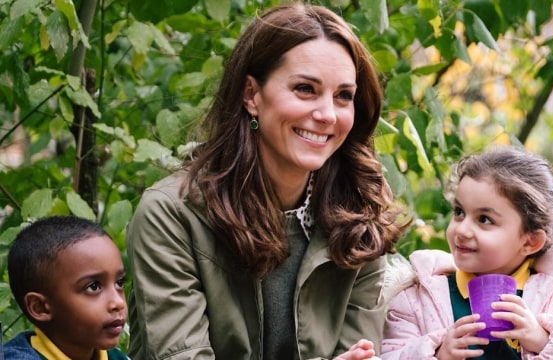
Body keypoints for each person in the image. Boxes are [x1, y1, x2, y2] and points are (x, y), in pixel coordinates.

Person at [125, 3, 410, 360]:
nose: (326, 115)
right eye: (305, 89)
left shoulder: (358, 217)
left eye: (343, 96)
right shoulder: (172, 216)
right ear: (251, 95)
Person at [380, 146, 553, 359]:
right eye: (459, 212)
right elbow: (387, 355)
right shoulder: (418, 298)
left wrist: (543, 339)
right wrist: (437, 354)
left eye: (484, 219)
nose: (462, 229)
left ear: (530, 241)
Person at [3, 215, 128, 360]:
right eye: (93, 287)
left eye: (119, 283)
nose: (118, 303)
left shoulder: (116, 357)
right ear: (40, 307)